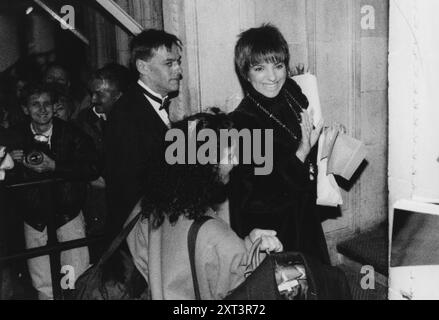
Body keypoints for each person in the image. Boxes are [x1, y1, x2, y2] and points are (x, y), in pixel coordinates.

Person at [125, 111, 283, 300]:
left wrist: (247, 245)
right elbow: (249, 297)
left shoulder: (148, 208)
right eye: (230, 154)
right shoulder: (218, 238)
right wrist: (258, 258)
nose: (236, 161)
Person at [229, 24, 331, 265]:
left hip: (304, 215)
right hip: (274, 232)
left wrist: (328, 138)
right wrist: (301, 153)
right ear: (246, 72)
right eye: (259, 68)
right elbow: (257, 197)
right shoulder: (244, 122)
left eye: (278, 65)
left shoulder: (291, 91)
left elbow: (310, 130)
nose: (272, 77)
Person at [7, 83, 99, 299]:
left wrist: (56, 167)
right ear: (25, 109)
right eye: (35, 104)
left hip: (68, 213)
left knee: (76, 275)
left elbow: (92, 167)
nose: (42, 109)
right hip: (33, 217)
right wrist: (12, 161)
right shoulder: (14, 136)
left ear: (55, 106)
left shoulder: (72, 134)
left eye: (47, 103)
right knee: (42, 281)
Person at [104, 29, 183, 237]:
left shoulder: (147, 105)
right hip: (142, 232)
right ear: (142, 67)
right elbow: (129, 189)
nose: (178, 70)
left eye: (178, 62)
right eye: (169, 63)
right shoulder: (126, 114)